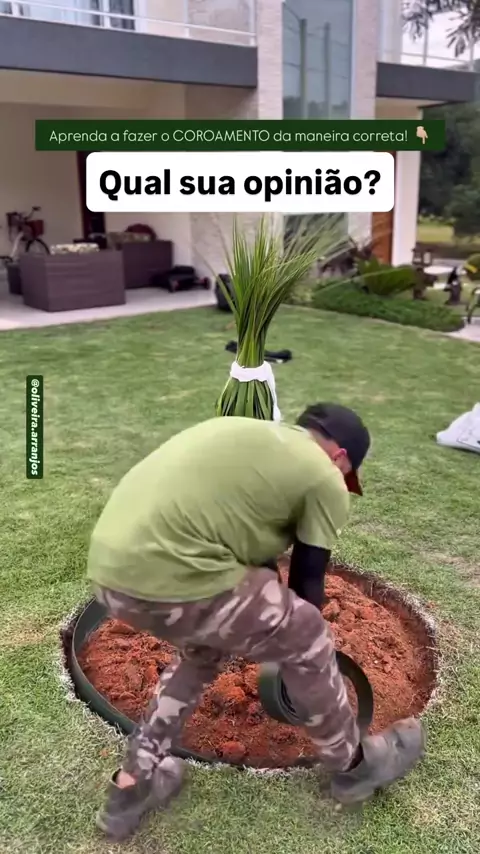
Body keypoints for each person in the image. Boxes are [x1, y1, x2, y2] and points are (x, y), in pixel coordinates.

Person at [87, 402, 425, 841]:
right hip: (179, 571)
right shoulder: (324, 475)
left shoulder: (243, 434)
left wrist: (262, 620)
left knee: (203, 653)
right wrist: (295, 656)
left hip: (111, 571)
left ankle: (132, 786)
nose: (342, 483)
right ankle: (356, 765)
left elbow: (249, 553)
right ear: (340, 456)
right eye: (347, 474)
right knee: (307, 632)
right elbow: (307, 583)